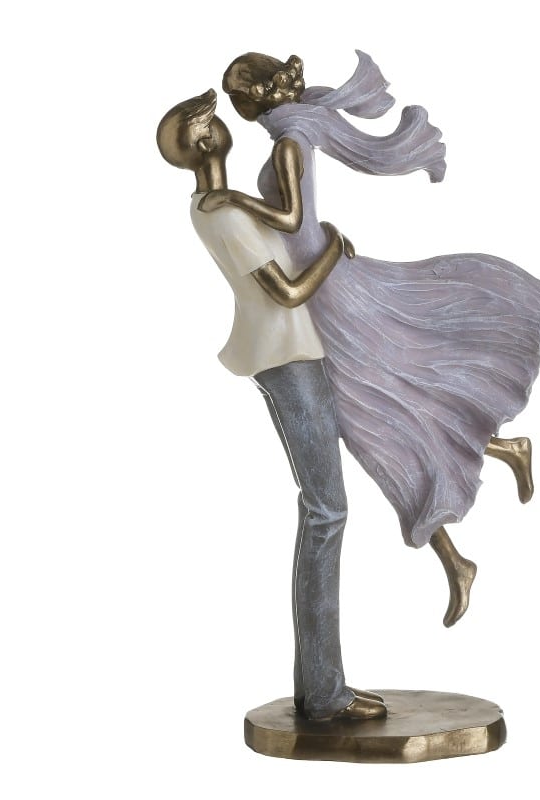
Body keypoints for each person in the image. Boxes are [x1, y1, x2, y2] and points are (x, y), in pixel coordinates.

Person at [207, 51, 540, 620]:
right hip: (324, 286)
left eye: (236, 100)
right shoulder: (294, 134)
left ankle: (462, 540)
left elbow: (291, 219)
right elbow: (301, 220)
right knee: (387, 412)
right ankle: (487, 485)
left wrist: (233, 199)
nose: (236, 109)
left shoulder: (288, 143)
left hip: (329, 291)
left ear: (253, 100)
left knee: (381, 417)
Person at [156, 89, 386, 721]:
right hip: (287, 354)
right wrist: (334, 247)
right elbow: (286, 291)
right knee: (327, 511)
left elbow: (283, 226)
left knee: (323, 511)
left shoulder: (218, 203)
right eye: (212, 120)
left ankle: (319, 688)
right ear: (206, 140)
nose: (222, 124)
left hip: (292, 349)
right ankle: (326, 692)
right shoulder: (223, 215)